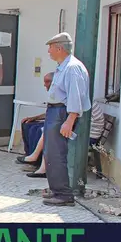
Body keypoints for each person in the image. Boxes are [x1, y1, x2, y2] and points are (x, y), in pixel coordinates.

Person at [42, 32, 91, 207]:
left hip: (62, 113)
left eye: (50, 48)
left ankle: (63, 194)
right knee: (51, 153)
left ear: (59, 48)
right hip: (56, 112)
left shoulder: (72, 68)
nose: (48, 51)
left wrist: (70, 120)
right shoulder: (63, 66)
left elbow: (75, 97)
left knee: (56, 154)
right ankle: (57, 190)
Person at [17, 72, 54, 168]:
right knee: (27, 124)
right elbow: (49, 113)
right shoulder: (52, 94)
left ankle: (36, 160)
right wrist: (33, 118)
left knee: (36, 130)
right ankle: (28, 154)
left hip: (55, 123)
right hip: (50, 120)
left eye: (47, 82)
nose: (44, 85)